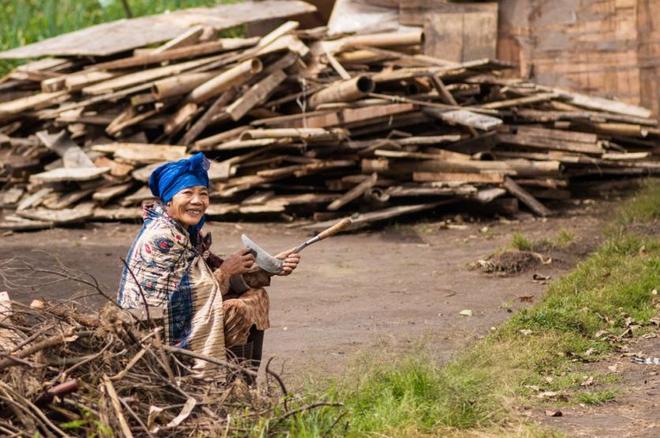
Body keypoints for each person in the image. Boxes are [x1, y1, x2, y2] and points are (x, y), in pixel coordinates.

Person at [117, 152, 300, 378]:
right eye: (187, 193)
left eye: (203, 194)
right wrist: (225, 272)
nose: (197, 201)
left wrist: (269, 266)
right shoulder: (162, 238)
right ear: (168, 200)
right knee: (237, 310)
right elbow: (180, 298)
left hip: (180, 314)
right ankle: (229, 386)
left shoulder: (186, 232)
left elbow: (206, 277)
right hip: (155, 328)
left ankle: (246, 384)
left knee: (256, 296)